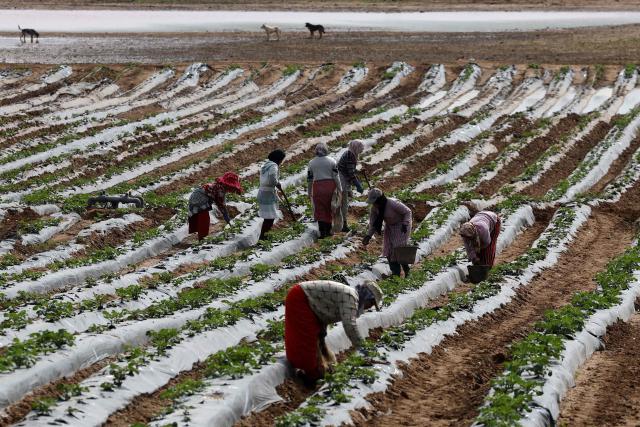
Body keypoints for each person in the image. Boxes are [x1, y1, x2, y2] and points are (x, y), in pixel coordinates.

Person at [284, 279, 383, 382]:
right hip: (300, 298)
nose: (369, 307)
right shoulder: (351, 297)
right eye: (371, 304)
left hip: (306, 301)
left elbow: (323, 312)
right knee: (308, 340)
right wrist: (363, 349)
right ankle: (311, 375)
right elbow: (350, 325)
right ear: (368, 298)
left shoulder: (351, 296)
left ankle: (313, 370)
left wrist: (322, 333)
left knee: (316, 339)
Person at [362, 188, 412, 277]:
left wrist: (405, 223)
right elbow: (373, 223)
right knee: (388, 249)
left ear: (380, 199)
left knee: (399, 248)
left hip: (402, 225)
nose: (374, 204)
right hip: (390, 226)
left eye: (375, 201)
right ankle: (396, 274)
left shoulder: (392, 203)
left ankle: (407, 270)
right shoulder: (375, 209)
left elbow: (407, 212)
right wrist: (368, 235)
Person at [187, 172, 243, 241]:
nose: (232, 191)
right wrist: (228, 221)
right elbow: (221, 206)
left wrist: (227, 219)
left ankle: (202, 238)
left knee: (203, 219)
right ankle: (202, 239)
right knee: (204, 219)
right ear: (229, 186)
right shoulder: (220, 189)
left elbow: (221, 204)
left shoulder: (220, 187)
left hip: (198, 198)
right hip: (198, 200)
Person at [307, 142, 342, 238]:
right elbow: (336, 176)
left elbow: (309, 179)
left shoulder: (311, 163)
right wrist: (339, 188)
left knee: (320, 209)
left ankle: (322, 232)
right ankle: (329, 230)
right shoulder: (332, 161)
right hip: (330, 186)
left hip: (317, 187)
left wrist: (309, 192)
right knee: (329, 208)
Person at [257, 149, 286, 240]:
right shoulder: (273, 166)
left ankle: (264, 237)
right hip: (268, 193)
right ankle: (263, 238)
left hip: (263, 192)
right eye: (281, 160)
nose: (281, 162)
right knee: (270, 218)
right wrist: (277, 183)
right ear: (278, 159)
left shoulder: (265, 165)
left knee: (268, 217)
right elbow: (272, 177)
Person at [337, 140, 365, 232]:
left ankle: (341, 223)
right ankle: (343, 224)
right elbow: (351, 173)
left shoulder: (350, 153)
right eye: (361, 148)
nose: (362, 150)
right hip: (341, 180)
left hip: (342, 177)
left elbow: (350, 170)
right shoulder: (350, 156)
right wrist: (357, 185)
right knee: (344, 203)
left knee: (344, 201)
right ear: (356, 147)